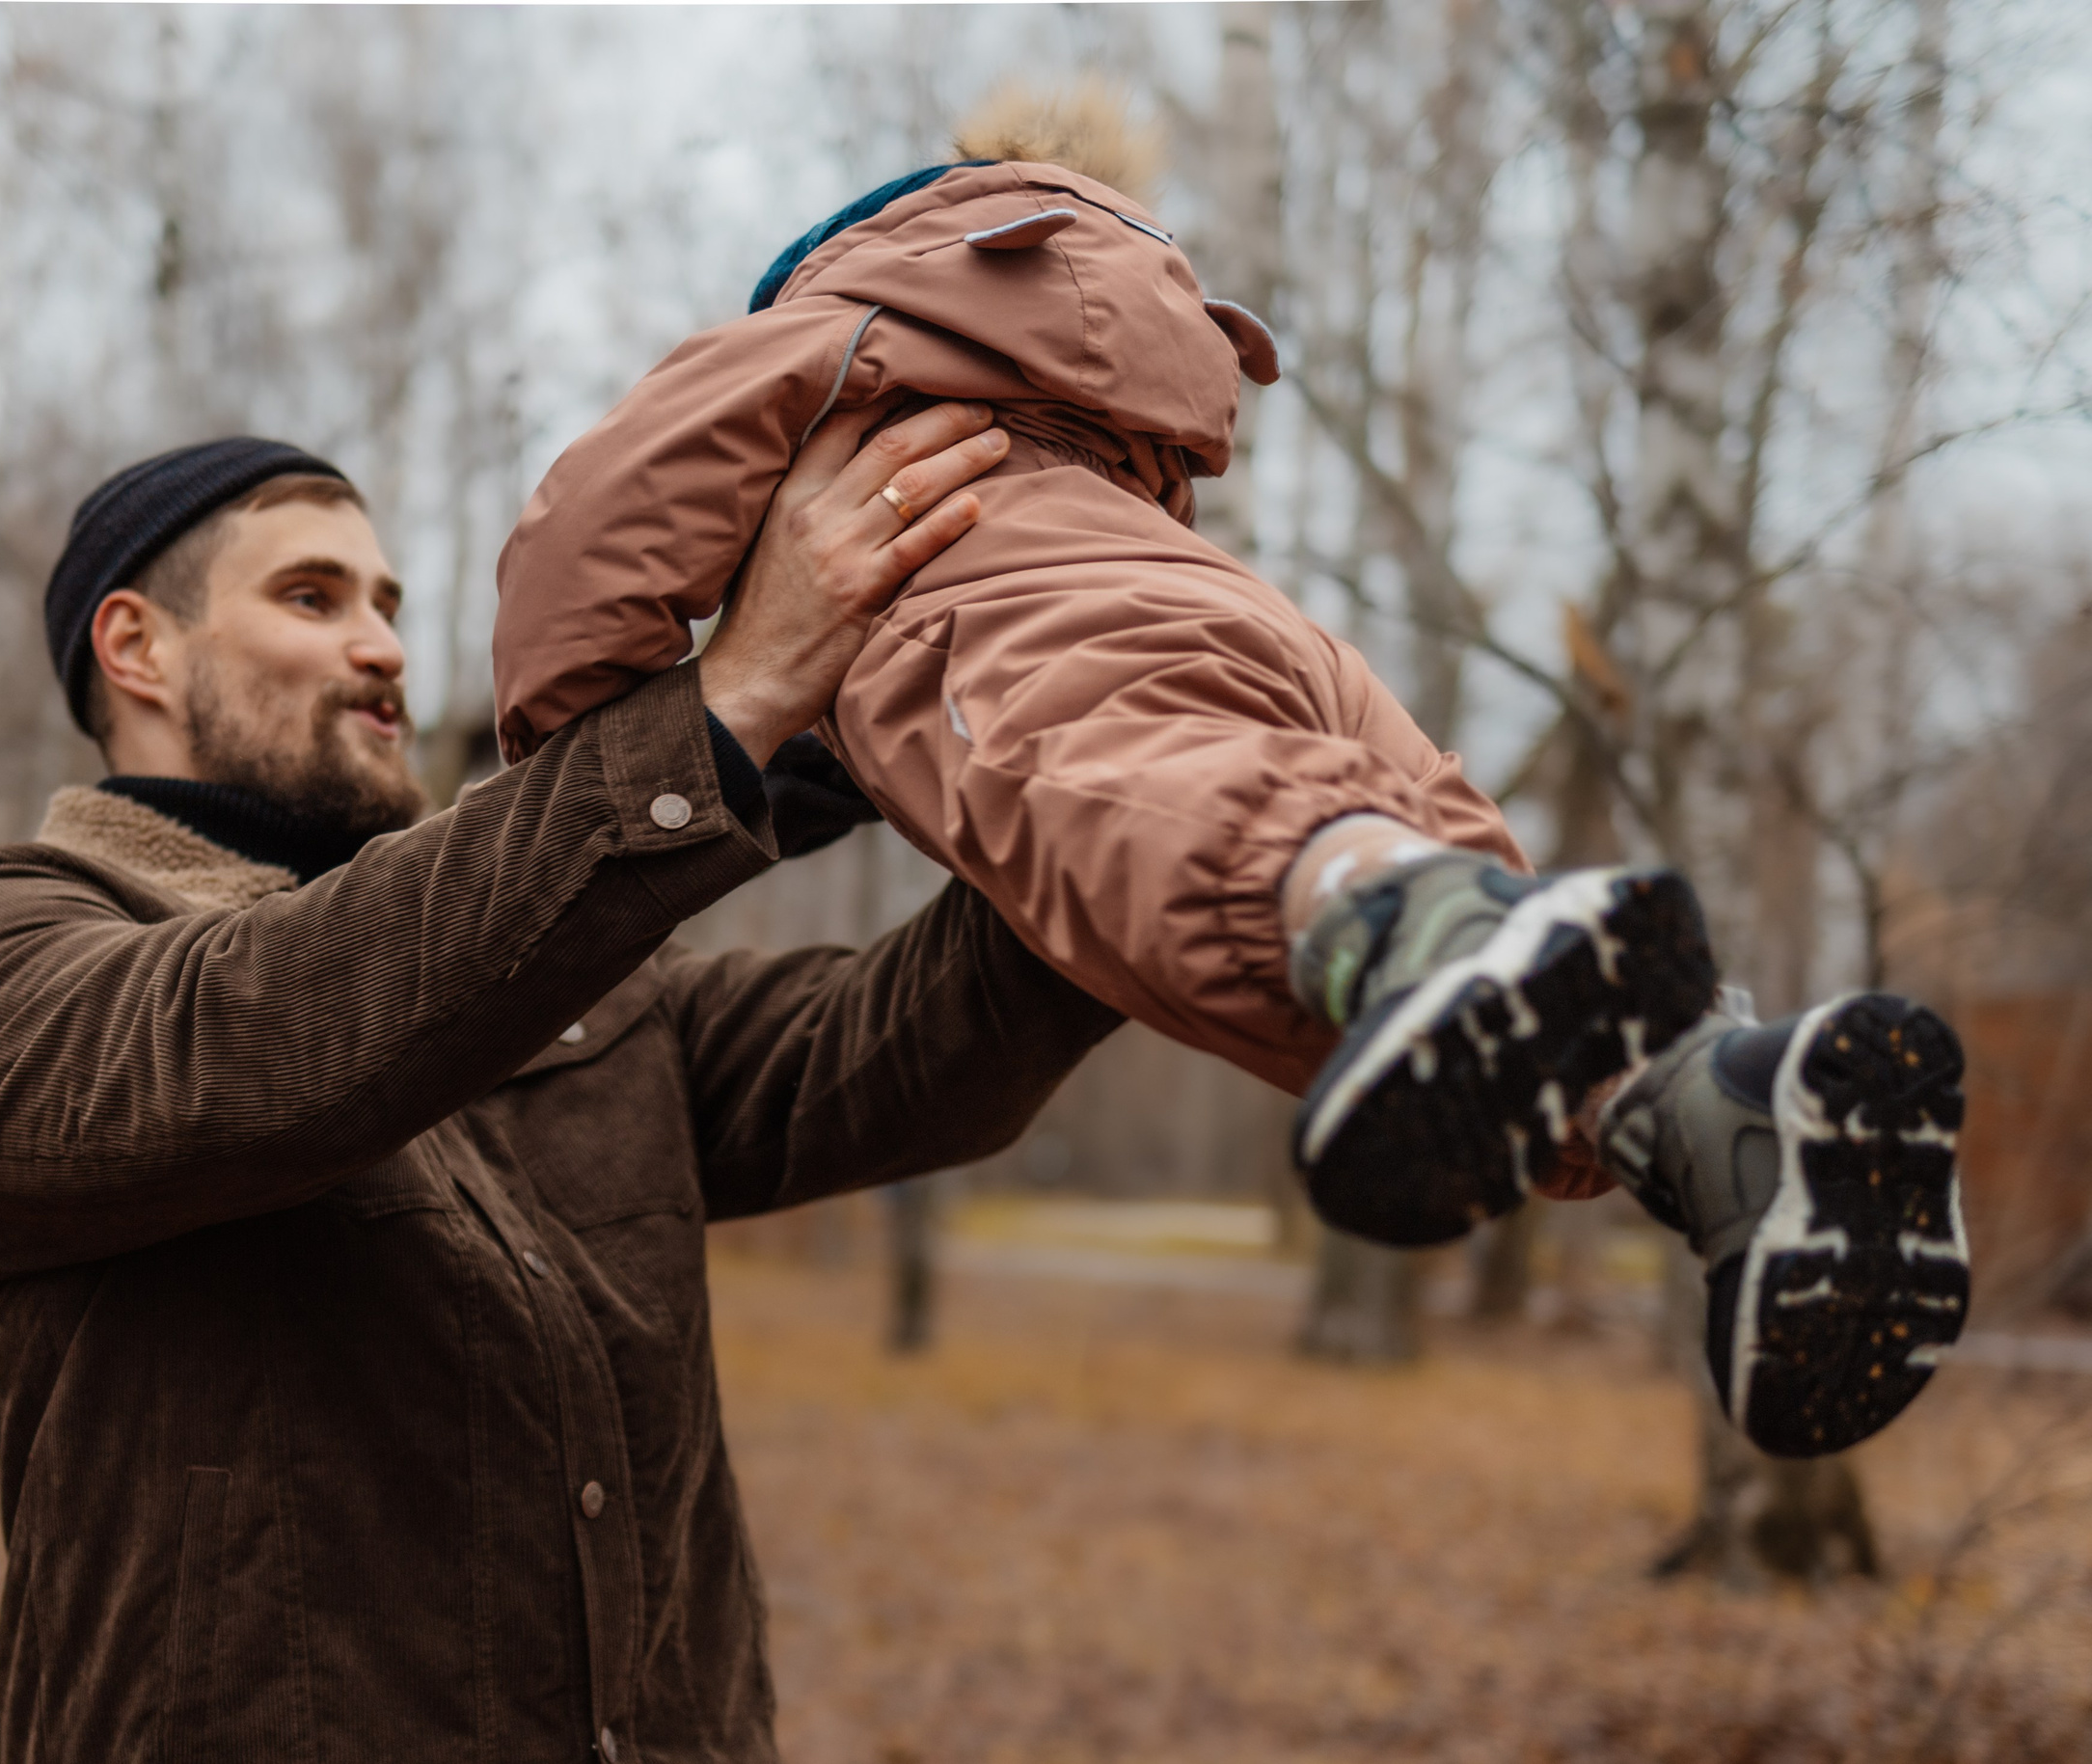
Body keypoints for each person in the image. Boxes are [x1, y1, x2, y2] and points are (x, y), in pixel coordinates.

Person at [491, 92, 1970, 1459]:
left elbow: (593, 524)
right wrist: (813, 766)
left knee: (1190, 834)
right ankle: (1715, 1102)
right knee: (1322, 979)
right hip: (1280, 651)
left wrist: (579, 750)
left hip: (1016, 626)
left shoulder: (842, 331)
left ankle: (1416, 923)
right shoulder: (1109, 425)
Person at [0, 412, 1126, 1762]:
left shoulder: (565, 983)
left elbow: (915, 1055)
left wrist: (1094, 786)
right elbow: (272, 1026)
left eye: (390, 603)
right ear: (136, 645)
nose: (385, 643)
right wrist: (728, 709)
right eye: (312, 595)